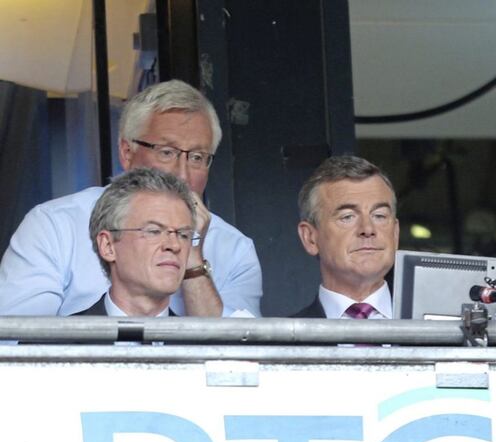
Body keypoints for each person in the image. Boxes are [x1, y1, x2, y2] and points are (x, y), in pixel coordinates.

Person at [0, 80, 262, 317]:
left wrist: (193, 257)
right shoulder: (55, 225)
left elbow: (237, 358)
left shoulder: (236, 249)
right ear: (127, 152)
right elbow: (18, 343)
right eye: (167, 152)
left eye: (196, 157)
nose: (182, 174)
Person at [74, 168, 194, 316]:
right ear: (108, 246)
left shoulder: (197, 339)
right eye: (154, 231)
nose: (174, 245)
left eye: (183, 235)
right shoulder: (58, 338)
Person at [292, 155, 399, 319]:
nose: (368, 229)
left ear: (395, 232)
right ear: (310, 238)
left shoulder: (444, 329)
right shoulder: (281, 340)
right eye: (347, 217)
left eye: (379, 215)